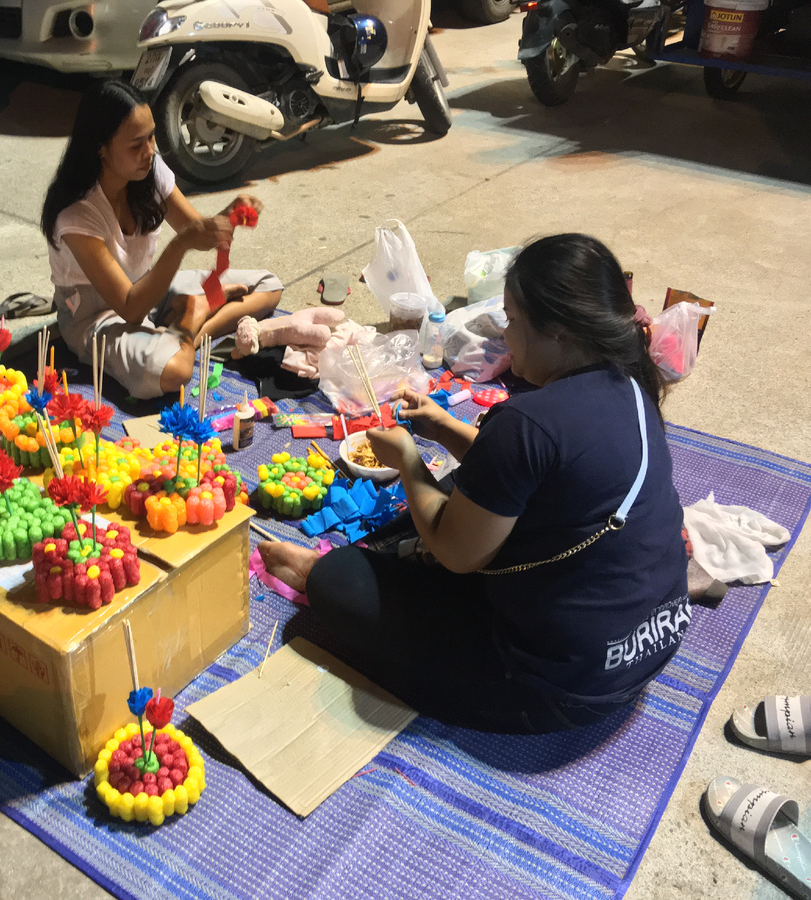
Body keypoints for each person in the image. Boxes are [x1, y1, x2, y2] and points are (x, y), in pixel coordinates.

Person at [260, 233, 689, 733]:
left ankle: (332, 578)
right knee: (462, 490)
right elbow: (531, 469)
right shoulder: (632, 386)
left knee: (341, 580)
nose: (505, 333)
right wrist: (442, 427)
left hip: (557, 688)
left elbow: (456, 553)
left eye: (512, 317)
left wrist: (408, 462)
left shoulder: (529, 421)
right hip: (646, 643)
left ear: (555, 330)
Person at [42, 81, 283, 399]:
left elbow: (196, 231)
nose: (149, 151)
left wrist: (226, 217)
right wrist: (180, 244)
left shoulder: (147, 171)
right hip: (96, 315)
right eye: (135, 145)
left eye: (152, 137)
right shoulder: (76, 215)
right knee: (173, 372)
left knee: (268, 285)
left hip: (148, 291)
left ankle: (186, 331)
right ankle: (190, 320)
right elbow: (129, 308)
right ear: (101, 148)